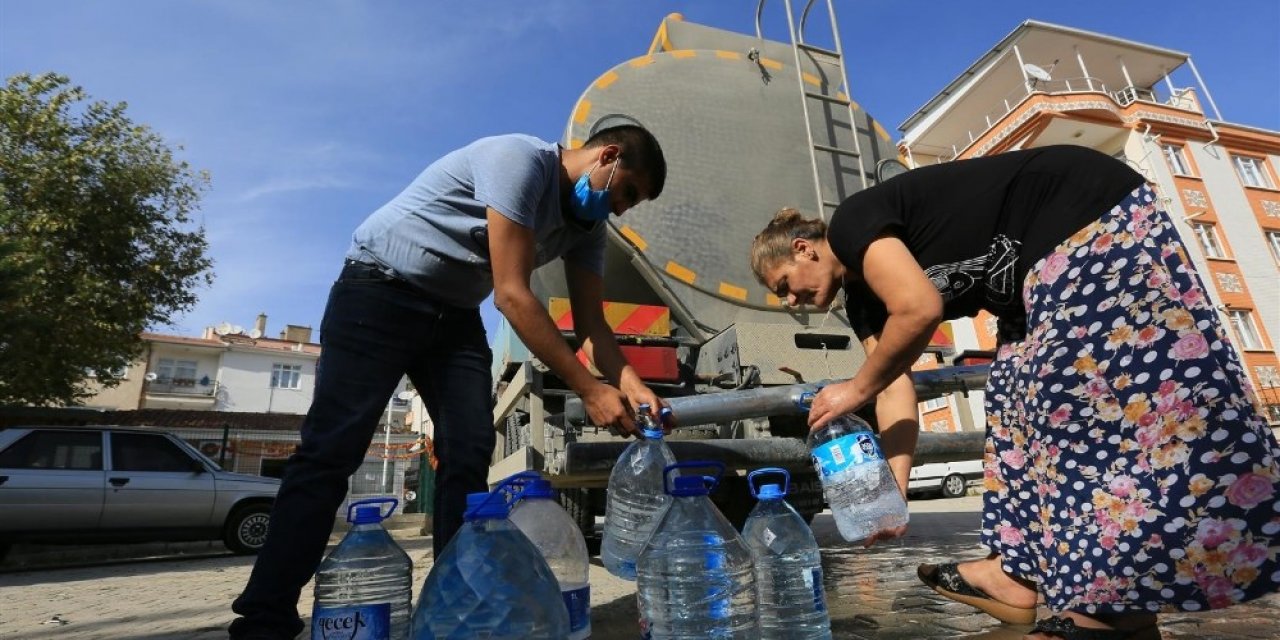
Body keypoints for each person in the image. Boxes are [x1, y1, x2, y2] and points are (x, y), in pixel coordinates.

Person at [749, 145, 1280, 639]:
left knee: (1075, 398)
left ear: (803, 249)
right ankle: (1016, 574)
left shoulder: (851, 224)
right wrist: (892, 498)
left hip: (1081, 215)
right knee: (1010, 399)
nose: (791, 299)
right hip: (1033, 285)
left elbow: (919, 309)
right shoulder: (863, 304)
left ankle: (1101, 606)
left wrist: (851, 389)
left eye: (783, 285)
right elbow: (893, 390)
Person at [230, 124, 669, 640]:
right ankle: (265, 616)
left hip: (453, 316)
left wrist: (632, 383)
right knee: (332, 452)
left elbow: (593, 325)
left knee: (468, 451)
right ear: (608, 157)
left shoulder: (588, 228)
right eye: (628, 193)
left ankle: (453, 609)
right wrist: (590, 389)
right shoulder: (519, 161)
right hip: (378, 291)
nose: (621, 208)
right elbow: (511, 294)